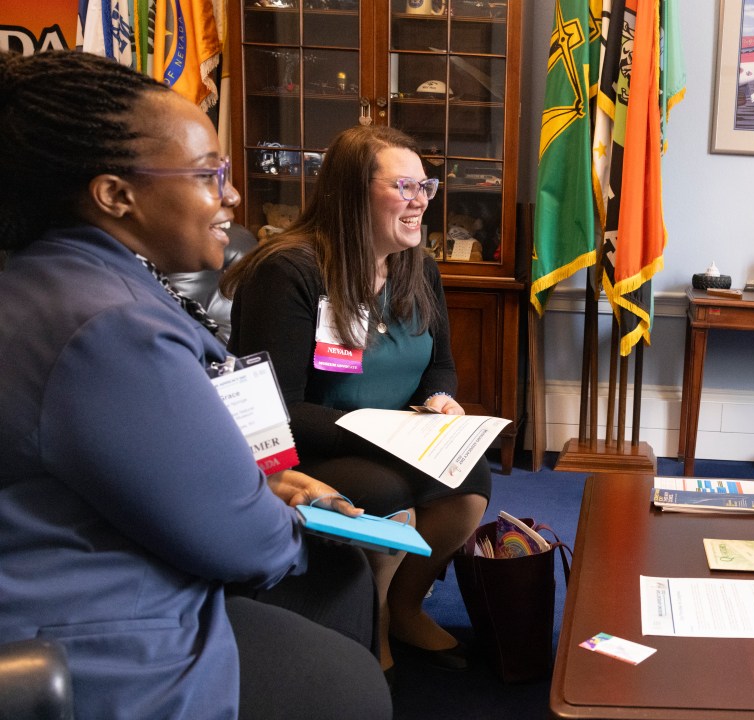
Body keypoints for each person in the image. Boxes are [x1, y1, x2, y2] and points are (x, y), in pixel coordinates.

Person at [0, 51, 391, 719]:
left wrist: (256, 488)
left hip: (82, 560)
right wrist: (274, 510)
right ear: (115, 194)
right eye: (211, 175)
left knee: (340, 584)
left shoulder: (66, 279)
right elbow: (248, 545)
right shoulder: (107, 328)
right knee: (348, 686)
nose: (232, 197)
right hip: (83, 633)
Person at [221, 124, 491, 674]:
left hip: (397, 435)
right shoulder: (290, 272)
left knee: (471, 479)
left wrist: (440, 400)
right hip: (307, 445)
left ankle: (405, 604)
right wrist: (385, 435)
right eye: (404, 188)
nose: (421, 203)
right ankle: (373, 621)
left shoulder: (418, 265)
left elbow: (440, 363)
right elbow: (277, 411)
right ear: (351, 193)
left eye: (426, 188)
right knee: (385, 489)